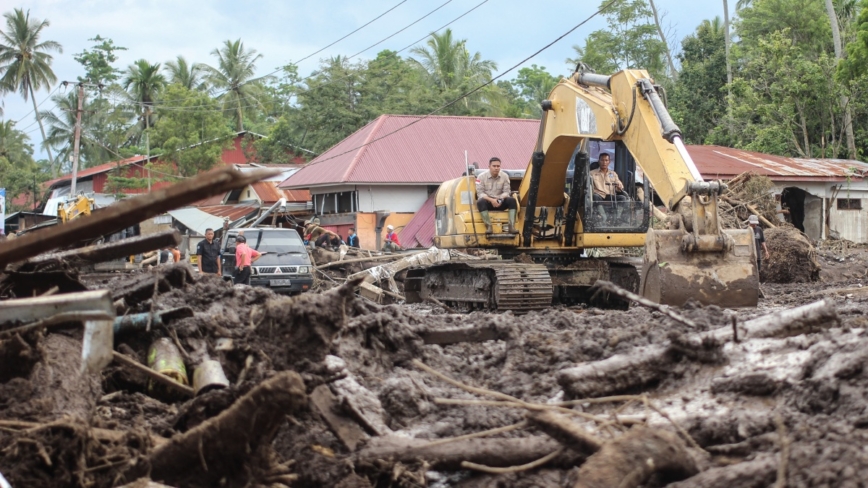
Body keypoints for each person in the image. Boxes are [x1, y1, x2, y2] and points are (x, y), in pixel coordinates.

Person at [475, 157, 518, 233]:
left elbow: (507, 192)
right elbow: (480, 193)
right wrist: (492, 200)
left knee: (512, 200)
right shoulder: (480, 177)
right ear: (489, 167)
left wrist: (500, 199)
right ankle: (489, 227)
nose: (496, 168)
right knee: (480, 202)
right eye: (494, 166)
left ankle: (511, 227)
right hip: (488, 202)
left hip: (500, 202)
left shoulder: (505, 176)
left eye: (498, 166)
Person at [590, 153, 628, 220]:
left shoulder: (613, 173)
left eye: (606, 160)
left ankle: (617, 217)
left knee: (623, 198)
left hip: (610, 196)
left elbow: (618, 183)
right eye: (602, 160)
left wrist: (619, 186)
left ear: (609, 162)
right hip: (599, 195)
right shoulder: (592, 173)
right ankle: (604, 217)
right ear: (599, 161)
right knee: (595, 196)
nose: (604, 162)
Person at [747, 215, 770, 280]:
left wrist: (766, 251)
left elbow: (762, 241)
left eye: (755, 224)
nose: (754, 225)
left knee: (758, 269)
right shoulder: (745, 230)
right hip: (749, 254)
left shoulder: (759, 229)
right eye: (752, 224)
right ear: (749, 222)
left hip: (757, 252)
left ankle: (757, 282)